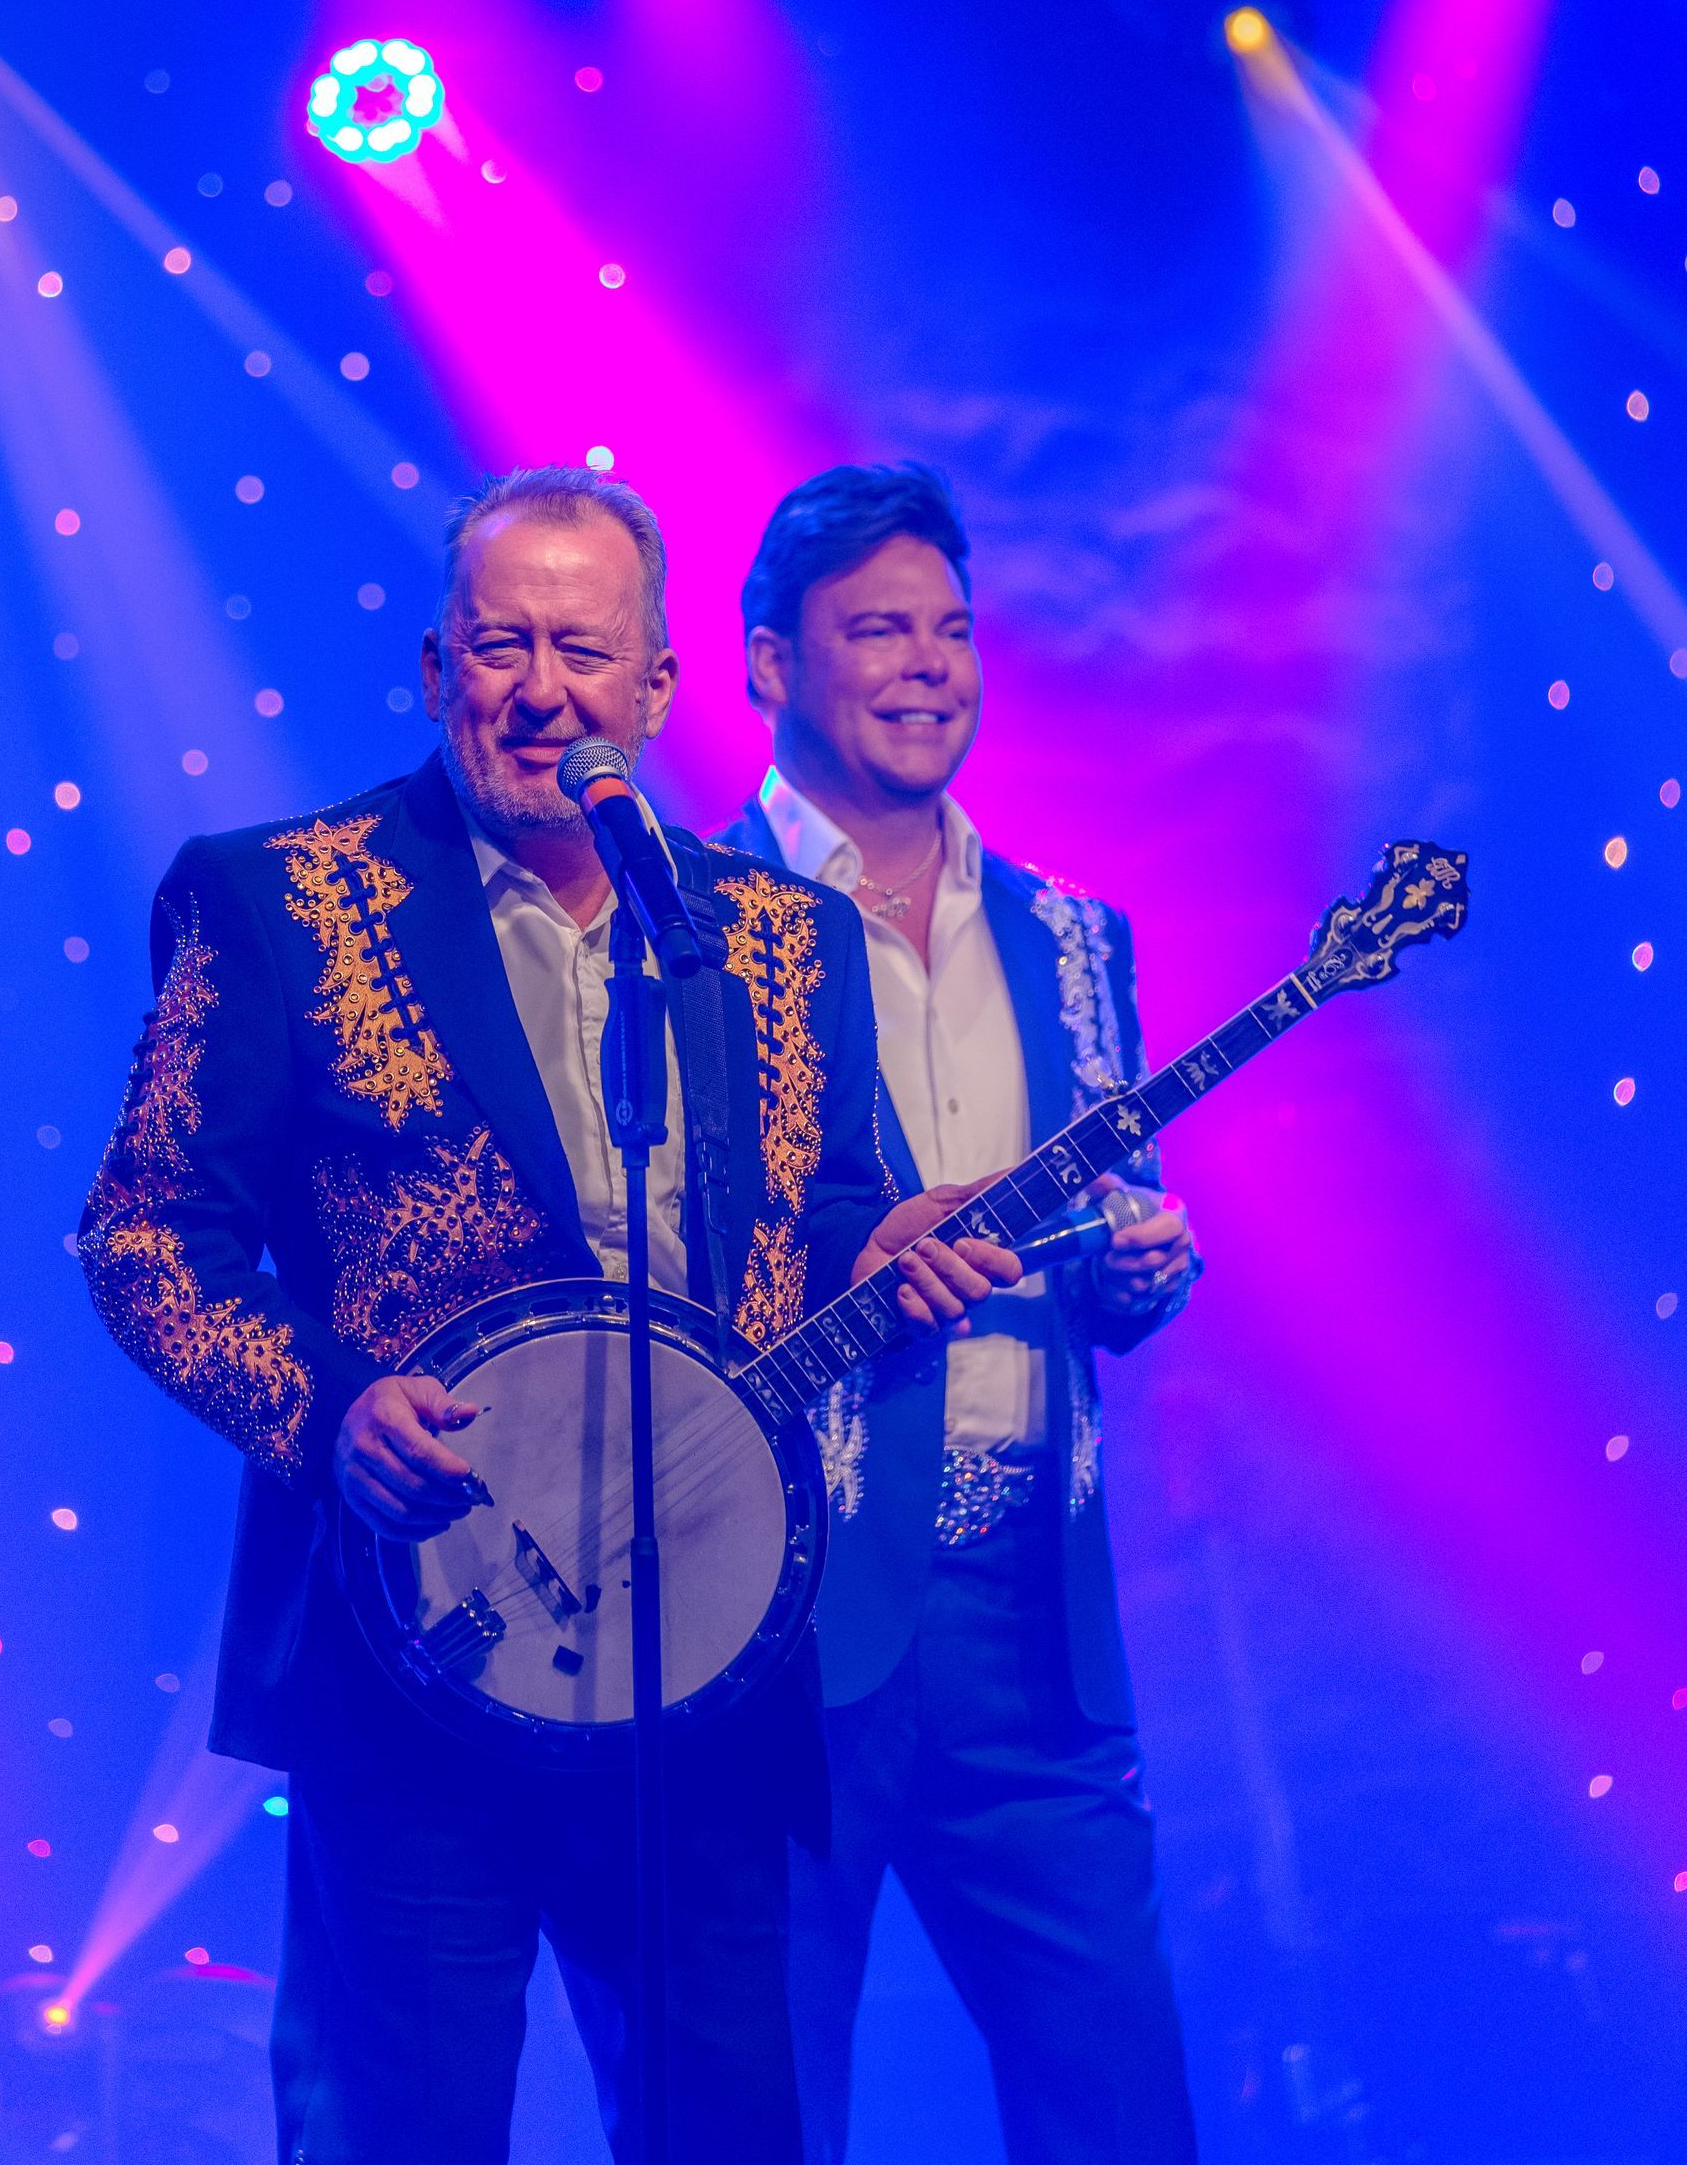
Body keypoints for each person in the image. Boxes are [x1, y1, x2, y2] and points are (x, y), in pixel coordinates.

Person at [78, 464, 1017, 2165]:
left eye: (583, 652)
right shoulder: (278, 902)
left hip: (708, 1657)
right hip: (415, 1652)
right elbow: (144, 1237)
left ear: (656, 689)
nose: (540, 690)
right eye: (498, 647)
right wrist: (323, 1412)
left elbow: (817, 1217)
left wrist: (894, 1249)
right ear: (436, 671)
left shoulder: (777, 939)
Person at [718, 461, 1200, 2165]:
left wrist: (1143, 1272)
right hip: (780, 1617)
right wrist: (844, 1269)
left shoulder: (1076, 940)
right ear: (772, 665)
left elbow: (1107, 1225)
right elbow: (639, 1266)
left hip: (1031, 1627)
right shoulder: (684, 931)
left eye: (952, 631)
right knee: (758, 2116)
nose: (928, 666)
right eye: (877, 631)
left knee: (1120, 2110)